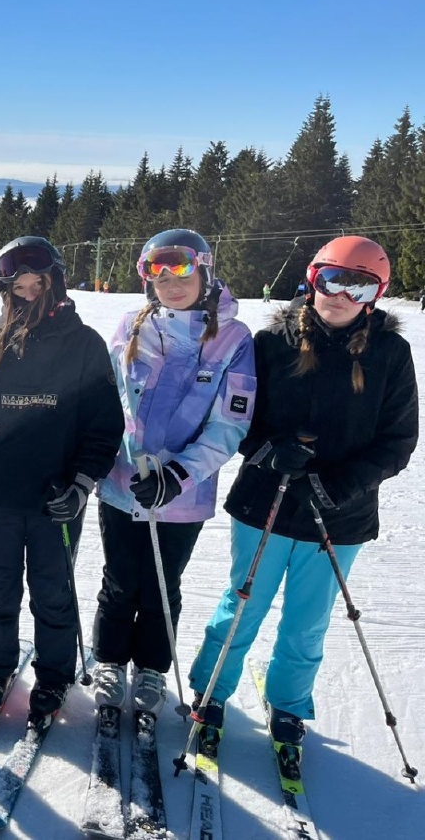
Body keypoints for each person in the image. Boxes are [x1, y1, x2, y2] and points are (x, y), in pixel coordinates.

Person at [187, 236, 417, 752]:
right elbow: (235, 417)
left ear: (375, 295)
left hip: (341, 513)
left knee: (308, 619)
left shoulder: (390, 353)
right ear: (312, 280)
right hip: (265, 502)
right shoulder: (272, 342)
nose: (340, 296)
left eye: (358, 287)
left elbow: (398, 441)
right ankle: (211, 690)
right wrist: (270, 451)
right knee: (242, 604)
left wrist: (341, 486)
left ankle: (289, 703)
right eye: (331, 281)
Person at [90, 229, 256, 717]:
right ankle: (109, 660)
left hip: (182, 494)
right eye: (159, 276)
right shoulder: (132, 325)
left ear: (204, 272)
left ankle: (151, 667)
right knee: (120, 579)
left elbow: (231, 423)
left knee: (163, 585)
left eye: (181, 272)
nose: (171, 284)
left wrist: (178, 475)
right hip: (122, 484)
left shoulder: (232, 339)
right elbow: (108, 399)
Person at [0, 236, 123, 725]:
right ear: (5, 291)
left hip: (57, 498)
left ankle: (54, 675)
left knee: (53, 590)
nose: (30, 294)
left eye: (39, 284)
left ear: (56, 283)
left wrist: (80, 484)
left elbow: (104, 426)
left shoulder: (86, 345)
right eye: (20, 287)